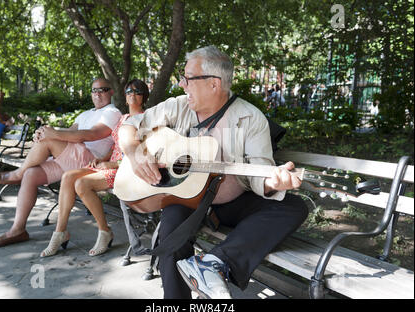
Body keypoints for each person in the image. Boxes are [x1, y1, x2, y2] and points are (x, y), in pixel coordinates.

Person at [118, 45, 308, 299]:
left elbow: (259, 174)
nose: (182, 84)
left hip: (231, 203)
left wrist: (274, 182)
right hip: (186, 199)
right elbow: (130, 124)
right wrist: (134, 152)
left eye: (187, 78)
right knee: (171, 237)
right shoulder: (178, 107)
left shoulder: (250, 118)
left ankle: (214, 263)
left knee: (294, 207)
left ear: (214, 84)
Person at [0, 78, 122, 248]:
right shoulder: (86, 114)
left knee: (48, 142)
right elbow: (70, 132)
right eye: (95, 90)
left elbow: (91, 134)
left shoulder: (111, 112)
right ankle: (18, 230)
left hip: (89, 161)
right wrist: (43, 132)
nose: (98, 93)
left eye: (103, 89)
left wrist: (52, 135)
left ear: (111, 92)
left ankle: (16, 174)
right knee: (31, 174)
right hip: (71, 157)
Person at [40, 79, 148, 257]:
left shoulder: (146, 119)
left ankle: (104, 231)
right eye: (129, 91)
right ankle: (60, 232)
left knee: (82, 184)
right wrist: (100, 159)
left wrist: (113, 164)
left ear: (144, 96)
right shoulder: (123, 119)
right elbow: (115, 147)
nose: (132, 95)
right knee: (68, 177)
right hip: (109, 165)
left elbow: (144, 153)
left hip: (127, 170)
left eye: (137, 92)